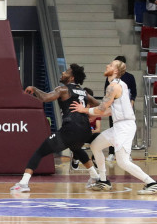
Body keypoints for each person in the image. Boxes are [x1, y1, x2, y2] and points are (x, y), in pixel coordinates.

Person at [71, 59, 157, 194]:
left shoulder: (114, 86)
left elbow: (102, 108)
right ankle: (103, 181)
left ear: (115, 71)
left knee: (123, 162)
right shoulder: (120, 85)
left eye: (111, 65)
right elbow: (109, 111)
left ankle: (152, 183)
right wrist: (92, 115)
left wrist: (85, 110)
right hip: (119, 125)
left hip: (124, 127)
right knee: (95, 145)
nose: (107, 65)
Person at [13, 63, 101, 192]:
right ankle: (95, 177)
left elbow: (45, 98)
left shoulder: (63, 90)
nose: (62, 73)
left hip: (71, 128)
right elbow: (99, 105)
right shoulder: (84, 92)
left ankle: (23, 183)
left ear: (71, 78)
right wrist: (89, 113)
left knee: (40, 151)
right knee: (75, 147)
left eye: (66, 72)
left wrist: (34, 89)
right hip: (85, 130)